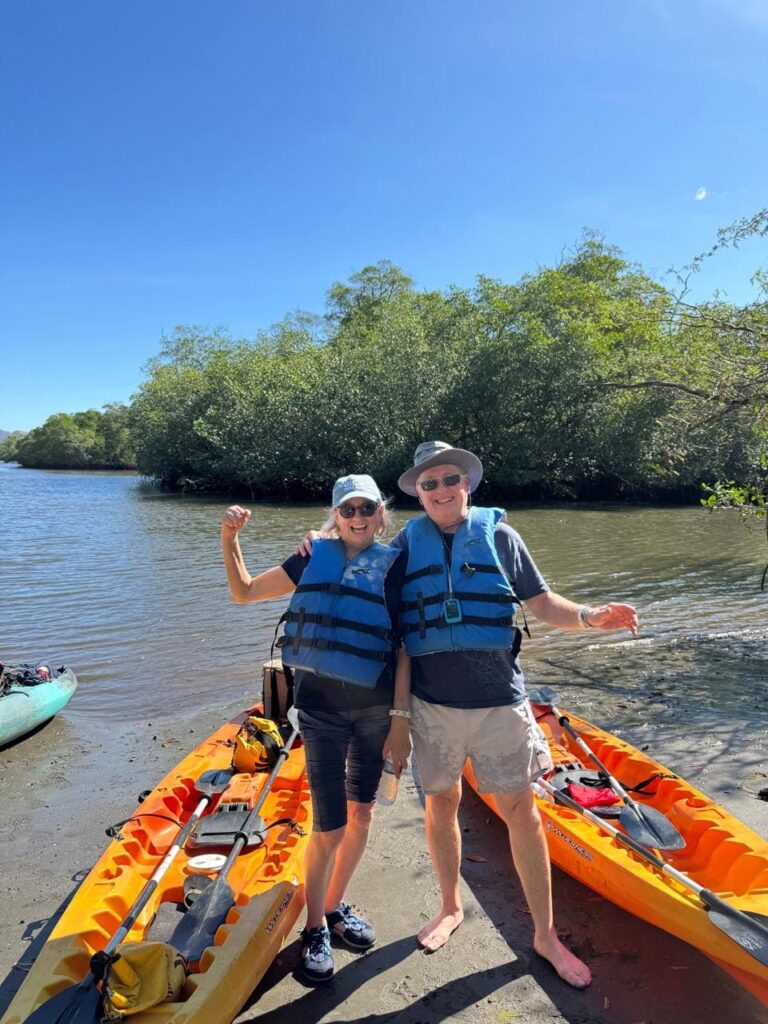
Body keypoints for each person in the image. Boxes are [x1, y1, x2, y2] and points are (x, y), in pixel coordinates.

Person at [389, 441, 638, 988]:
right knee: (440, 805)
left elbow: (542, 602)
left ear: (467, 483)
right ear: (418, 494)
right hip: (433, 707)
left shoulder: (501, 536)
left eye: (449, 479)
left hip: (499, 702)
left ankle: (545, 935)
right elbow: (364, 583)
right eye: (429, 484)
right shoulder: (405, 544)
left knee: (522, 812)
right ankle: (450, 906)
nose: (440, 490)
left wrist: (590, 616)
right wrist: (320, 545)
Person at [220, 474, 407, 984]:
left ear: (381, 514)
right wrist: (229, 538)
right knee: (329, 826)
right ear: (335, 515)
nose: (357, 518)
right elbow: (243, 592)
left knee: (362, 813)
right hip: (321, 712)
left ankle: (334, 904)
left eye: (366, 508)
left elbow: (405, 648)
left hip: (374, 711)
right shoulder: (310, 557)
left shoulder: (397, 566)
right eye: (348, 509)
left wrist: (401, 719)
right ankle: (315, 927)